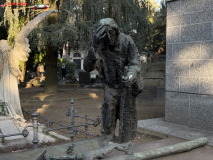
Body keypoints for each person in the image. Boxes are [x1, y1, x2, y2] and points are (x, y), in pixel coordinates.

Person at [83, 18, 143, 143]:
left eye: (111, 32)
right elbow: (88, 68)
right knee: (108, 110)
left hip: (126, 86)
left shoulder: (127, 41)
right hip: (111, 86)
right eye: (104, 34)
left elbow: (135, 64)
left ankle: (126, 142)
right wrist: (93, 45)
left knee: (126, 115)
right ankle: (108, 139)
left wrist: (130, 77)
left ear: (116, 31)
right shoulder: (99, 46)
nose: (108, 37)